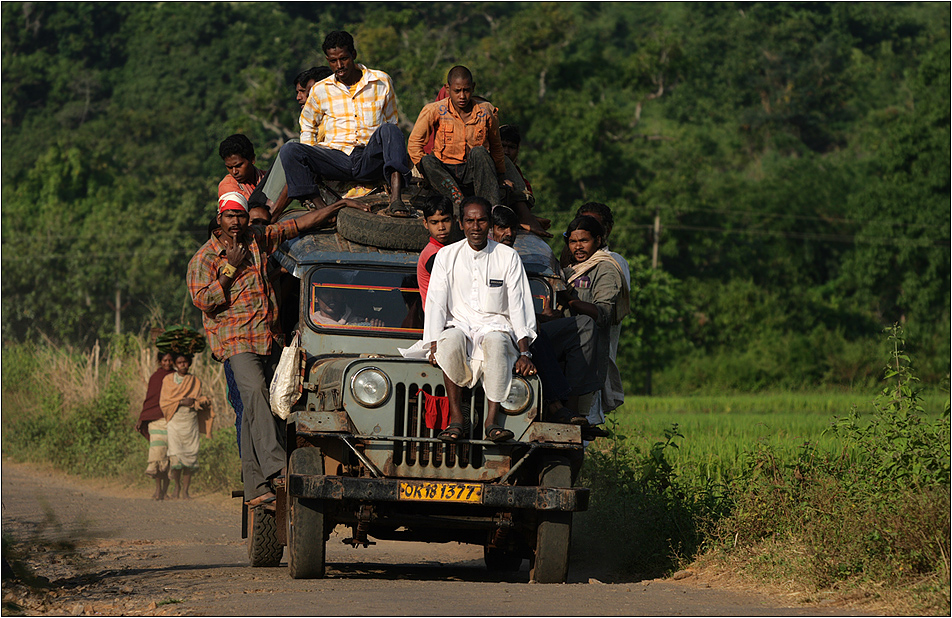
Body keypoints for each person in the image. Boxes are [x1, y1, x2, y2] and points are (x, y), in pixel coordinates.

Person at [187, 191, 366, 507]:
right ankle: (277, 469)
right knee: (256, 393)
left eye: (241, 216)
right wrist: (230, 268)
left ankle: (256, 488)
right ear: (219, 220)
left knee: (261, 408)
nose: (236, 222)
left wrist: (337, 206)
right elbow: (204, 302)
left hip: (267, 337)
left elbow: (296, 226)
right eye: (230, 216)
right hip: (234, 340)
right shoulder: (205, 259)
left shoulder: (257, 239)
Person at [423, 197, 538, 443]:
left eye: (481, 220)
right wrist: (433, 344)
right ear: (460, 224)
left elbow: (519, 305)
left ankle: (491, 421)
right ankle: (456, 419)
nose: (476, 227)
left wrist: (525, 352)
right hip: (460, 325)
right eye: (469, 221)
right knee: (449, 341)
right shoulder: (446, 256)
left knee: (496, 342)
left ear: (489, 224)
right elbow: (435, 302)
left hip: (496, 326)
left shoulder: (508, 257)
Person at [491, 206, 602, 430]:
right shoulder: (481, 259)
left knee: (577, 327)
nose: (509, 234)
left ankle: (573, 406)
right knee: (534, 337)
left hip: (520, 325)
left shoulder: (512, 259)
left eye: (512, 228)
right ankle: (557, 406)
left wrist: (541, 317)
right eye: (501, 228)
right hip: (491, 327)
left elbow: (518, 303)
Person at [280, 31, 411, 216]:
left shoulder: (381, 81)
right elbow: (308, 126)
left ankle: (396, 200)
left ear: (354, 55)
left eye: (344, 59)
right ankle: (322, 210)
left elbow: (392, 120)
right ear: (327, 60)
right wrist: (311, 160)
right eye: (333, 61)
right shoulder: (320, 89)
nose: (339, 66)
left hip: (369, 157)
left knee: (390, 130)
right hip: (336, 158)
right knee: (290, 150)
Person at [562, 215, 630, 430]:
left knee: (579, 425)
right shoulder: (572, 269)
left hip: (587, 358)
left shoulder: (605, 269)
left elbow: (603, 314)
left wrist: (569, 300)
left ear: (598, 241)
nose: (578, 247)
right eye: (573, 242)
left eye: (584, 241)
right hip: (565, 353)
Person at [408, 66, 506, 208]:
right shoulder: (434, 110)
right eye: (457, 91)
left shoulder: (486, 111)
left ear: (473, 88)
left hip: (471, 171)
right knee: (427, 160)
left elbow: (496, 146)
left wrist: (501, 175)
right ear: (447, 89)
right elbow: (414, 144)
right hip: (445, 171)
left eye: (466, 90)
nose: (462, 96)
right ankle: (457, 201)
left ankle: (491, 210)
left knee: (480, 152)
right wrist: (425, 170)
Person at [159, 353, 213, 500]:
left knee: (190, 456)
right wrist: (181, 402)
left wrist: (200, 401)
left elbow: (197, 398)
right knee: (176, 456)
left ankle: (186, 491)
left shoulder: (194, 380)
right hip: (175, 421)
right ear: (175, 365)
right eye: (180, 362)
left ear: (189, 363)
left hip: (190, 421)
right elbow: (164, 402)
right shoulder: (168, 380)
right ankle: (176, 487)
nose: (183, 365)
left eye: (185, 362)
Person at [498, 124, 550, 238]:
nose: (506, 151)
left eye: (511, 147)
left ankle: (526, 219)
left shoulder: (518, 176)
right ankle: (526, 220)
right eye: (503, 146)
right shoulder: (488, 168)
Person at [135, 351, 175, 500]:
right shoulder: (155, 378)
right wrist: (142, 418)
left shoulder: (176, 377)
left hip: (172, 420)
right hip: (156, 422)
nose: (167, 363)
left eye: (170, 360)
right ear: (160, 361)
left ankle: (165, 491)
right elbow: (150, 401)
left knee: (170, 456)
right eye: (164, 360)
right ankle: (157, 490)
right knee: (157, 455)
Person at [417, 195, 456, 310]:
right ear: (425, 224)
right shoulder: (432, 255)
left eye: (445, 220)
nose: (441, 227)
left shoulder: (450, 249)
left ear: (454, 220)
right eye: (434, 222)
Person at [218, 134, 266, 199]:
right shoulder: (228, 186)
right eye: (230, 167)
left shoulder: (268, 178)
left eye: (238, 166)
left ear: (252, 159)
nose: (234, 172)